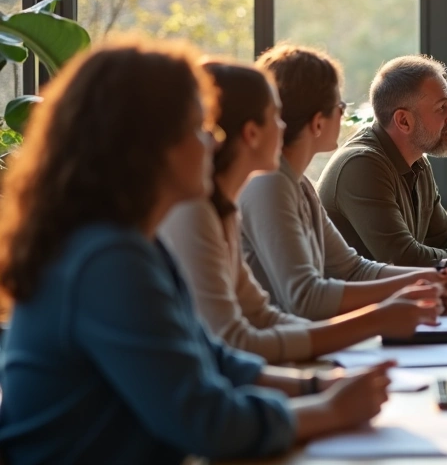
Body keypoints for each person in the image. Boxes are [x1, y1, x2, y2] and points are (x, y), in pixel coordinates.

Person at [0, 42, 394, 464]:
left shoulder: (133, 243)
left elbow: (213, 357)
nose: (214, 138)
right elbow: (205, 419)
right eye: (198, 125)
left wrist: (319, 387)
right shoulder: (105, 259)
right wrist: (329, 410)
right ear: (149, 146)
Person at [160, 60, 447, 363]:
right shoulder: (261, 186)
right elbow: (297, 303)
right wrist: (376, 320)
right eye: (275, 115)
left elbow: (346, 273)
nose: (283, 125)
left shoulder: (293, 185)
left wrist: (432, 280)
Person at [239, 45, 447, 320]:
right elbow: (306, 299)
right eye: (339, 105)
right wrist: (428, 285)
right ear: (317, 122)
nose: (344, 112)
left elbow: (354, 270)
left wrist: (438, 280)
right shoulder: (270, 184)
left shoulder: (299, 185)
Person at [318, 55, 447, 288]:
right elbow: (405, 259)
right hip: (355, 316)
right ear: (404, 121)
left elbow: (445, 237)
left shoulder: (417, 161)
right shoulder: (361, 165)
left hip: (395, 305)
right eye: (441, 107)